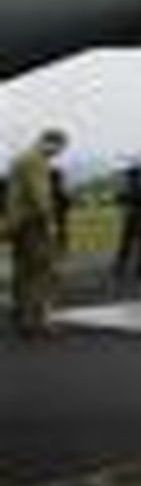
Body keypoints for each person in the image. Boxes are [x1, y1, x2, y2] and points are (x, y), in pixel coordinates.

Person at [7, 129, 69, 337]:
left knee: (22, 272)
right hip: (34, 224)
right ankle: (40, 322)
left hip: (18, 223)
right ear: (50, 142)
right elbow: (40, 194)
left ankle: (22, 318)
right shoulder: (36, 161)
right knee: (43, 272)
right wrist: (50, 222)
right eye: (59, 148)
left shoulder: (20, 158)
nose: (58, 153)